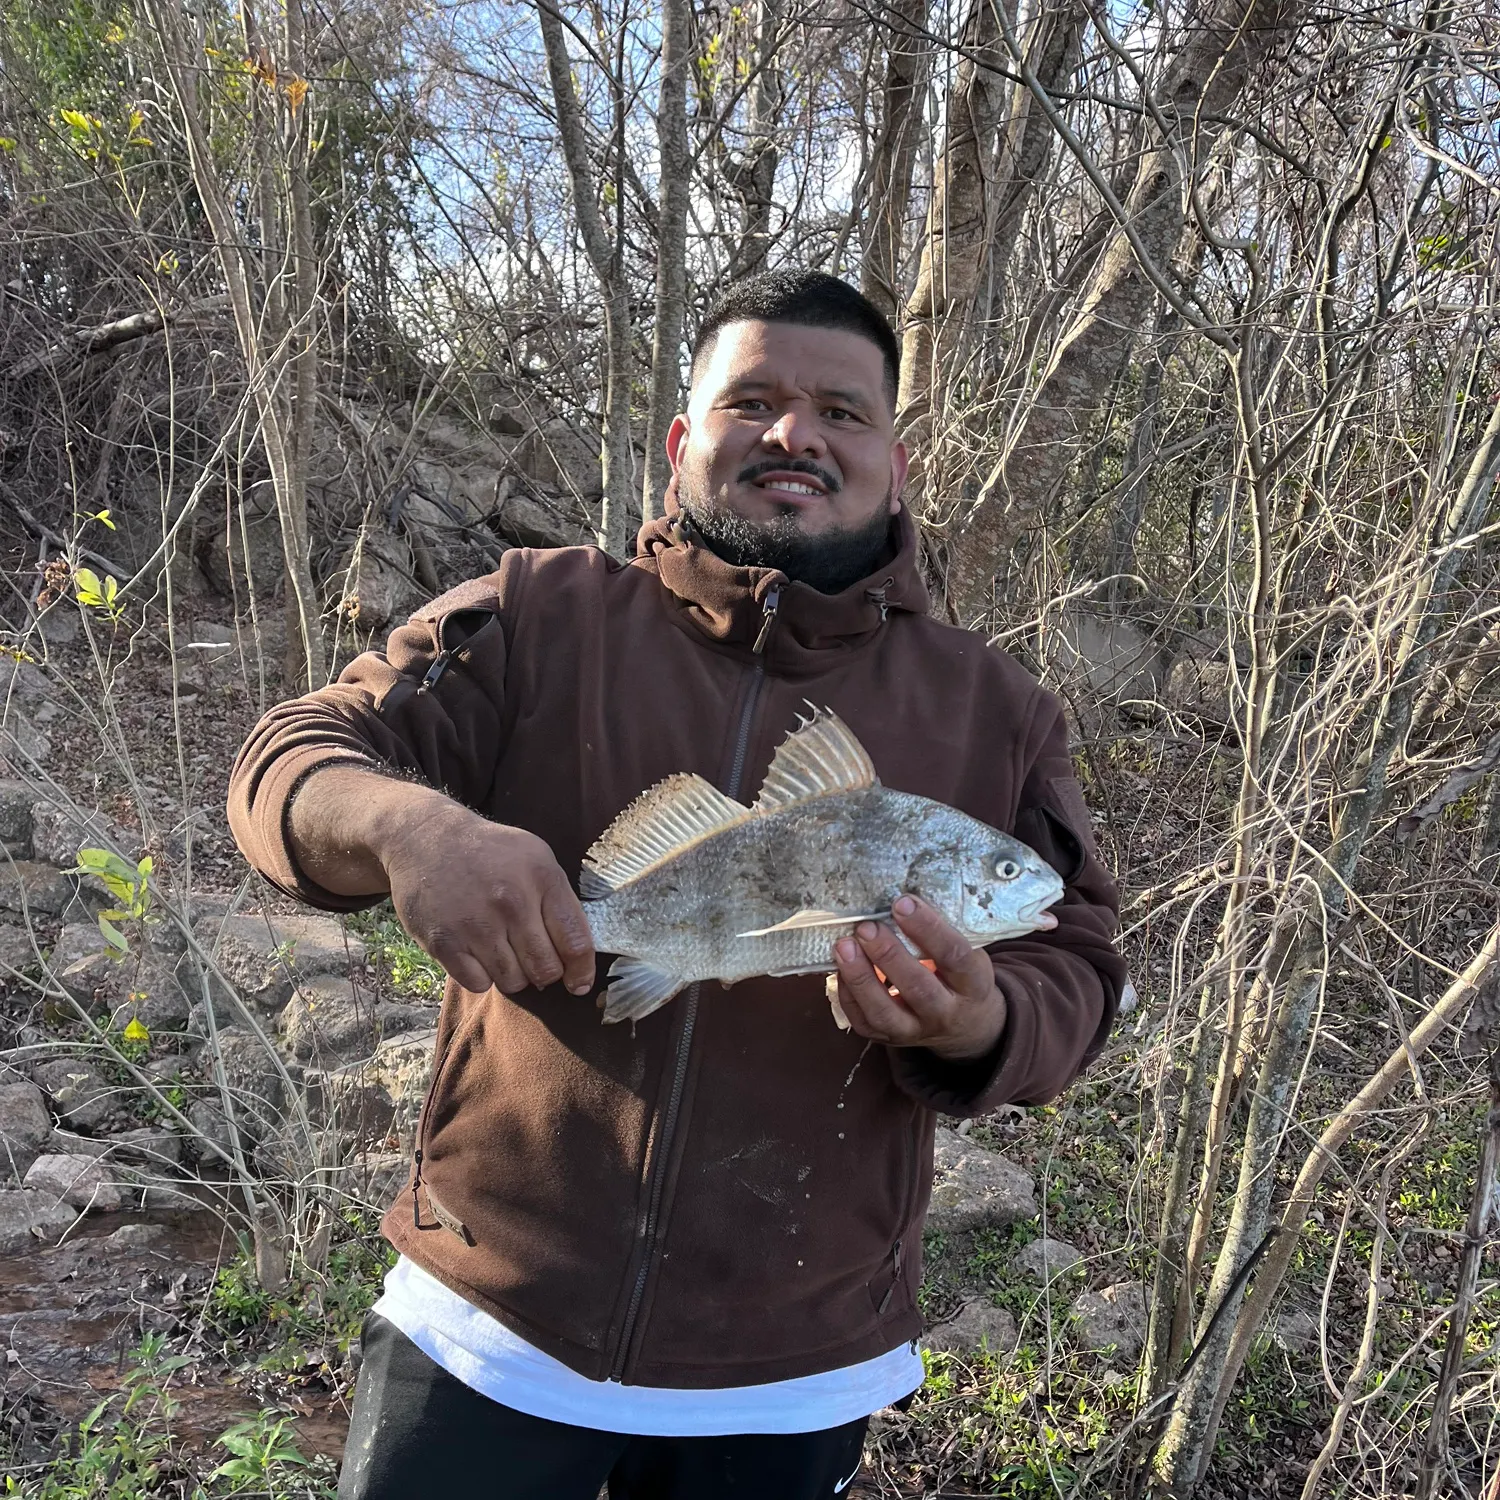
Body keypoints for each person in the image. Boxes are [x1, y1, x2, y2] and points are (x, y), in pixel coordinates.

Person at [227, 269, 1125, 1499]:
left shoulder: (1001, 712)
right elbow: (291, 758)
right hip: (487, 1322)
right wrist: (405, 830)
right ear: (681, 441)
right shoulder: (538, 614)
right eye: (750, 400)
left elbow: (1077, 961)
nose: (795, 433)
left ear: (896, 460)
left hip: (793, 1371)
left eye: (843, 412)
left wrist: (983, 1022)